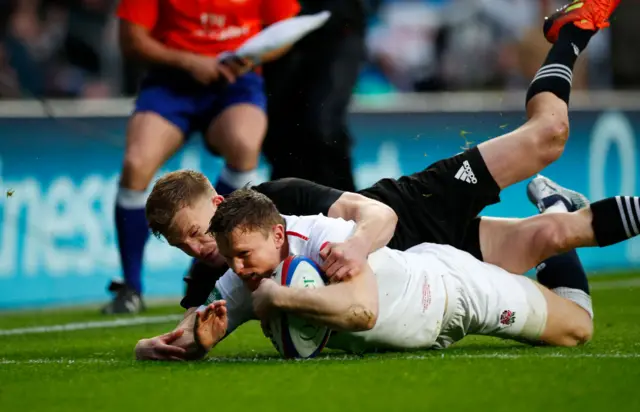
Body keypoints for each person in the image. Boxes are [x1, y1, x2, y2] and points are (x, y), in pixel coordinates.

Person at [135, 0, 622, 358]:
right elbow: (207, 320)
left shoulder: (275, 204)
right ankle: (555, 205)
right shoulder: (229, 274)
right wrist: (158, 343)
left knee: (548, 135)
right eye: (186, 246)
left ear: (220, 202)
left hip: (415, 212)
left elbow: (375, 214)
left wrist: (356, 248)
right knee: (557, 235)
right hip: (420, 270)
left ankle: (571, 33)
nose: (199, 249)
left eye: (199, 232)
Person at [174, 183, 639, 358]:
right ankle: (554, 216)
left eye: (243, 257)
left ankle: (556, 207)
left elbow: (362, 311)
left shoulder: (324, 236)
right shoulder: (245, 267)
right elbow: (193, 328)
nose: (236, 269)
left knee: (578, 329)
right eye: (229, 258)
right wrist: (184, 342)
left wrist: (279, 299)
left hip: (454, 293)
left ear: (277, 237)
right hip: (423, 323)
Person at [104, 0, 301, 314]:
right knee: (135, 164)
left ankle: (211, 267)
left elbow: (285, 31)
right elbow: (132, 40)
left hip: (235, 82)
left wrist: (248, 61)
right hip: (170, 83)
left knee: (244, 145)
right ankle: (131, 287)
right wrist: (190, 61)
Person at [262, 0, 374, 191]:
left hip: (337, 28)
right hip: (278, 30)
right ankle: (288, 205)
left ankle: (345, 202)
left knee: (322, 123)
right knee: (279, 130)